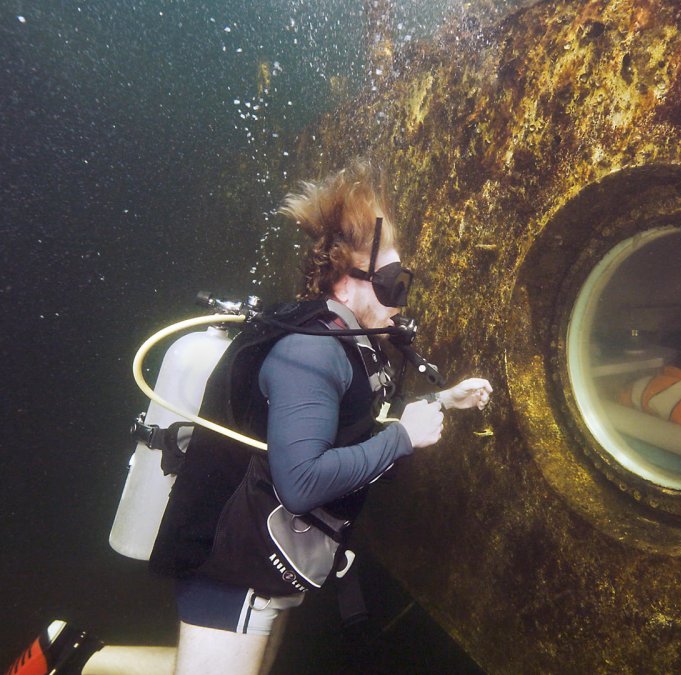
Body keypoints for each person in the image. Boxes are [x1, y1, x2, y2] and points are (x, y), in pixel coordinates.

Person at [9, 161, 491, 675]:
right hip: (233, 563)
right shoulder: (313, 351)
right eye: (393, 283)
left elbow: (349, 431)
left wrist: (443, 402)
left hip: (275, 554)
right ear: (346, 286)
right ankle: (70, 658)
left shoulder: (350, 343)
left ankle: (71, 658)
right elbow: (302, 482)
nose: (401, 300)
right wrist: (402, 439)